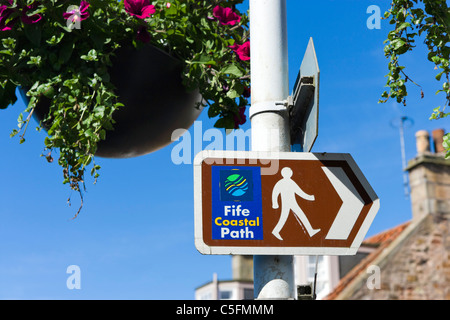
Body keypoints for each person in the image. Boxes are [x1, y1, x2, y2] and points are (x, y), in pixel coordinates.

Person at [272, 167, 320, 240]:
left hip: (292, 202)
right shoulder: (281, 182)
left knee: (300, 215)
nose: (290, 173)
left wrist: (309, 197)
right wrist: (275, 203)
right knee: (283, 218)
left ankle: (310, 231)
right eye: (289, 172)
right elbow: (275, 193)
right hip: (286, 203)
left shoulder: (291, 182)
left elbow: (299, 192)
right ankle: (275, 231)